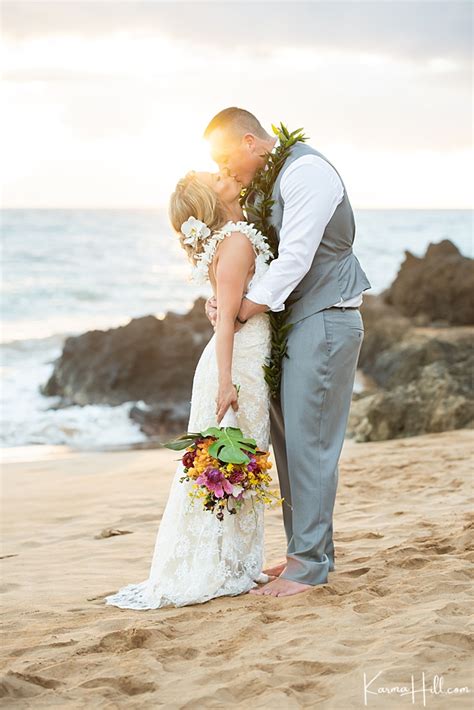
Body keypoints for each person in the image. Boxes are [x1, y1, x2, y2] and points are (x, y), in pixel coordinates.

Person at [203, 108, 371, 597]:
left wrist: (242, 311)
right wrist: (224, 296)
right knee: (289, 443)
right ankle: (307, 550)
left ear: (252, 142)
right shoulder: (266, 183)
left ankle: (309, 564)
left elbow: (296, 255)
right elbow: (265, 256)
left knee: (310, 443)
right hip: (291, 324)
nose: (226, 168)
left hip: (326, 317)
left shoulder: (307, 172)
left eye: (225, 156)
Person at [105, 169, 274, 609]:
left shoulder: (238, 235)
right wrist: (225, 384)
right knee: (231, 464)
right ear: (211, 202)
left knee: (235, 466)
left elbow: (227, 310)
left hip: (244, 360)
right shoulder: (235, 242)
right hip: (236, 366)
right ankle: (220, 567)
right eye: (216, 179)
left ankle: (232, 563)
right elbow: (226, 324)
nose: (228, 176)